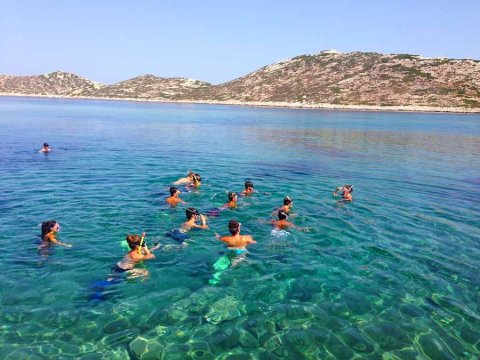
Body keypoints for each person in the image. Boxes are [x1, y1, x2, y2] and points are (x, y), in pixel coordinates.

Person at [209, 220, 256, 285]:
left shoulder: (226, 239)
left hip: (230, 252)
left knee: (220, 267)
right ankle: (233, 281)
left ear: (229, 229)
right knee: (234, 267)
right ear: (238, 229)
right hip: (241, 252)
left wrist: (216, 235)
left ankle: (216, 278)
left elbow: (218, 238)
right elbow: (254, 242)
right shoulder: (246, 237)